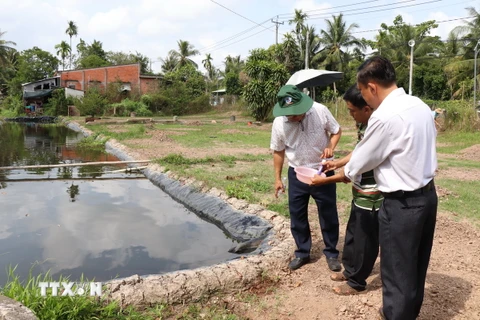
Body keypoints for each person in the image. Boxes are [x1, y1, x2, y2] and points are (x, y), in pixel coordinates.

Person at [337, 56, 438, 319]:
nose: (364, 99)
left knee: (396, 269)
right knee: (416, 263)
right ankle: (408, 312)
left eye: (361, 92)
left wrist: (336, 172)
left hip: (401, 204)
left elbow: (360, 161)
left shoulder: (384, 117)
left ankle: (396, 314)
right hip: (427, 196)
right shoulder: (419, 105)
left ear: (371, 87)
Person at [311, 84, 383, 296]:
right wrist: (337, 163)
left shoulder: (377, 128)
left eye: (352, 111)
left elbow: (358, 166)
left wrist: (324, 180)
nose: (350, 115)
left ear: (366, 109)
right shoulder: (364, 125)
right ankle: (350, 270)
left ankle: (357, 281)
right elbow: (359, 151)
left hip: (372, 195)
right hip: (360, 192)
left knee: (365, 240)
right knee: (352, 234)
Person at [270, 84, 342, 272]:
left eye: (298, 113)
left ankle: (332, 253)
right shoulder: (279, 123)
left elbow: (336, 131)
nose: (295, 117)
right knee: (297, 214)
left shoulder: (319, 111)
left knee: (328, 213)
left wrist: (331, 148)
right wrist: (277, 179)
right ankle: (302, 252)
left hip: (322, 170)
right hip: (297, 173)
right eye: (291, 115)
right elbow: (278, 151)